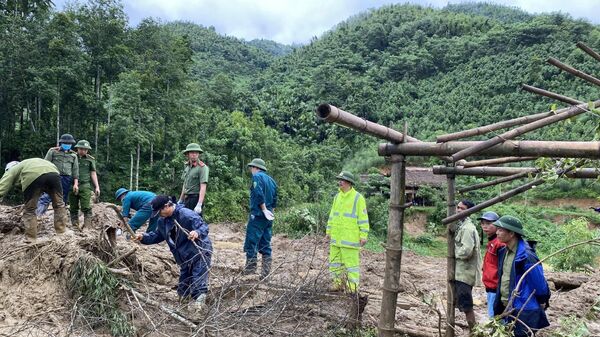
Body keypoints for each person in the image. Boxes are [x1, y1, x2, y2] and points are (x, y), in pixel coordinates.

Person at [134, 195, 212, 310]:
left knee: (198, 281)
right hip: (183, 255)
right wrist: (143, 237)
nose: (159, 215)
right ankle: (183, 307)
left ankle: (198, 309)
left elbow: (204, 227)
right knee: (183, 285)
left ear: (166, 206)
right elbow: (158, 235)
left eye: (160, 211)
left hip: (199, 251)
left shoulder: (186, 215)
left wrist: (197, 232)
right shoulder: (162, 221)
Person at [493, 215, 550, 336]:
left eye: (500, 230)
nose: (496, 232)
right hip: (506, 306)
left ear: (512, 233)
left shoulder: (526, 256)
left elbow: (539, 283)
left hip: (524, 308)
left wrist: (543, 300)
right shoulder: (504, 252)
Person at [0, 159, 69, 242]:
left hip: (33, 176)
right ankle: (62, 233)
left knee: (30, 210)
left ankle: (31, 238)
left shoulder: (12, 170)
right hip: (54, 173)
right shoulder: (27, 164)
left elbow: (2, 186)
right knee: (59, 205)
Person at [326, 171, 369, 293]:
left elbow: (363, 218)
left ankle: (352, 289)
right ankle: (337, 284)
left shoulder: (358, 198)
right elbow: (332, 215)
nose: (340, 182)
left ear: (349, 183)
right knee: (335, 263)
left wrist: (363, 235)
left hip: (349, 239)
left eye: (342, 180)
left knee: (351, 266)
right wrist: (328, 231)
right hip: (336, 238)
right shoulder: (337, 197)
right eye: (339, 180)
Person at [242, 158, 278, 279]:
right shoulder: (272, 181)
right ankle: (265, 273)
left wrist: (263, 209)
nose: (251, 170)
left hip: (258, 214)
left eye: (252, 168)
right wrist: (270, 211)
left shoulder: (257, 177)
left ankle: (250, 271)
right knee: (265, 243)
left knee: (252, 241)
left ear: (256, 168)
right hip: (268, 216)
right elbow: (275, 199)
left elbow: (258, 193)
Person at [453, 199, 481, 331]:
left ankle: (474, 331)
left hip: (464, 274)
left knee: (467, 306)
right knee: (461, 303)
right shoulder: (463, 226)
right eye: (458, 208)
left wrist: (453, 253)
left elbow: (466, 251)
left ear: (469, 211)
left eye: (462, 208)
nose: (458, 210)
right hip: (460, 273)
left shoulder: (468, 229)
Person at [37, 133, 79, 216]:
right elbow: (45, 164)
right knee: (46, 197)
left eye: (69, 144)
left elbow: (75, 171)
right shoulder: (53, 151)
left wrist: (75, 184)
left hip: (66, 179)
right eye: (65, 143)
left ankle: (59, 219)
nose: (67, 145)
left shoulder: (73, 155)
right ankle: (38, 215)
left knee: (62, 200)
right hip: (53, 177)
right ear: (61, 143)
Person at [70, 140, 100, 230]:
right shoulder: (72, 157)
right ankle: (75, 227)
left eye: (85, 149)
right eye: (81, 149)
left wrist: (97, 186)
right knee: (73, 207)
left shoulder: (90, 159)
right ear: (77, 148)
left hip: (85, 185)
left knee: (87, 207)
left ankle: (88, 228)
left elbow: (93, 173)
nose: (83, 151)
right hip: (72, 185)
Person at [478, 211, 503, 318]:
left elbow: (503, 268)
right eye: (483, 223)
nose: (485, 226)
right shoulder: (492, 241)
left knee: (494, 318)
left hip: (496, 287)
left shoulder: (499, 243)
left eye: (488, 223)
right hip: (490, 285)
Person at [179, 143, 209, 215]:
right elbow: (185, 185)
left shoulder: (202, 168)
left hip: (195, 199)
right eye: (192, 152)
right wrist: (180, 199)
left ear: (198, 154)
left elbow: (203, 187)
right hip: (186, 199)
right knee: (185, 222)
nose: (194, 154)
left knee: (196, 223)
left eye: (196, 152)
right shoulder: (187, 167)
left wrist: (199, 204)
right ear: (187, 154)